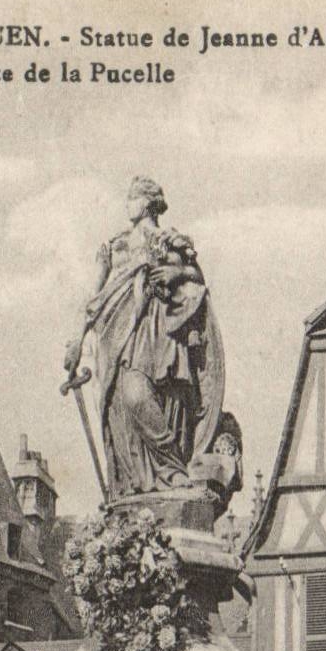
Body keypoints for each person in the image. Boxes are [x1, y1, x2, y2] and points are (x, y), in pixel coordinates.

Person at [64, 176, 224, 498]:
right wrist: (77, 340)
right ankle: (138, 482)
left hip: (158, 330)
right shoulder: (114, 247)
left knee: (145, 396)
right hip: (119, 335)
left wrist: (177, 272)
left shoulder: (170, 240)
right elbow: (93, 298)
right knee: (123, 402)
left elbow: (197, 278)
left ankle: (172, 470)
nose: (127, 204)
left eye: (133, 197)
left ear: (149, 202)